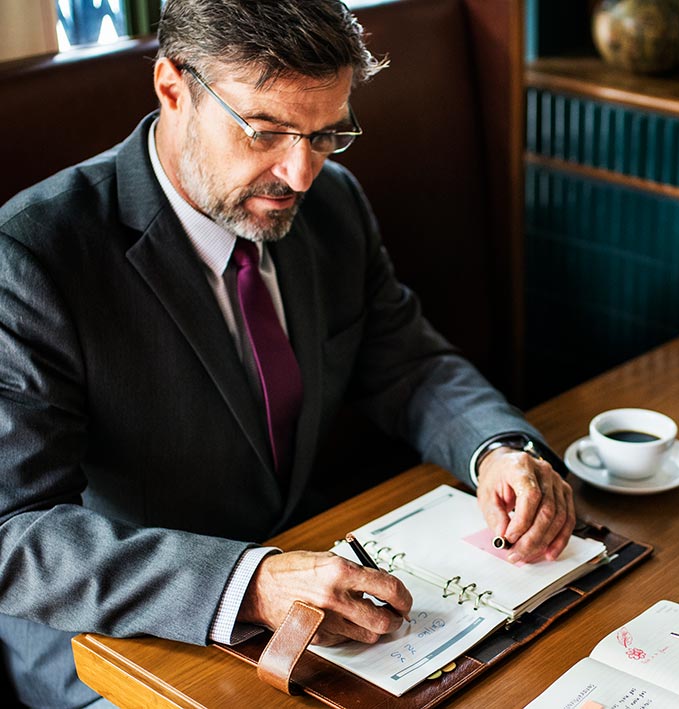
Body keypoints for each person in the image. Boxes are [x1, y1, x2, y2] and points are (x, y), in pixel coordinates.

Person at [0, 1, 575, 706]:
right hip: (121, 648)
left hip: (323, 599)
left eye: (328, 133)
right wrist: (252, 582)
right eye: (266, 132)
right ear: (172, 86)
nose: (301, 173)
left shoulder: (332, 205)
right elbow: (14, 534)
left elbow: (408, 363)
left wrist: (498, 448)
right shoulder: (33, 254)